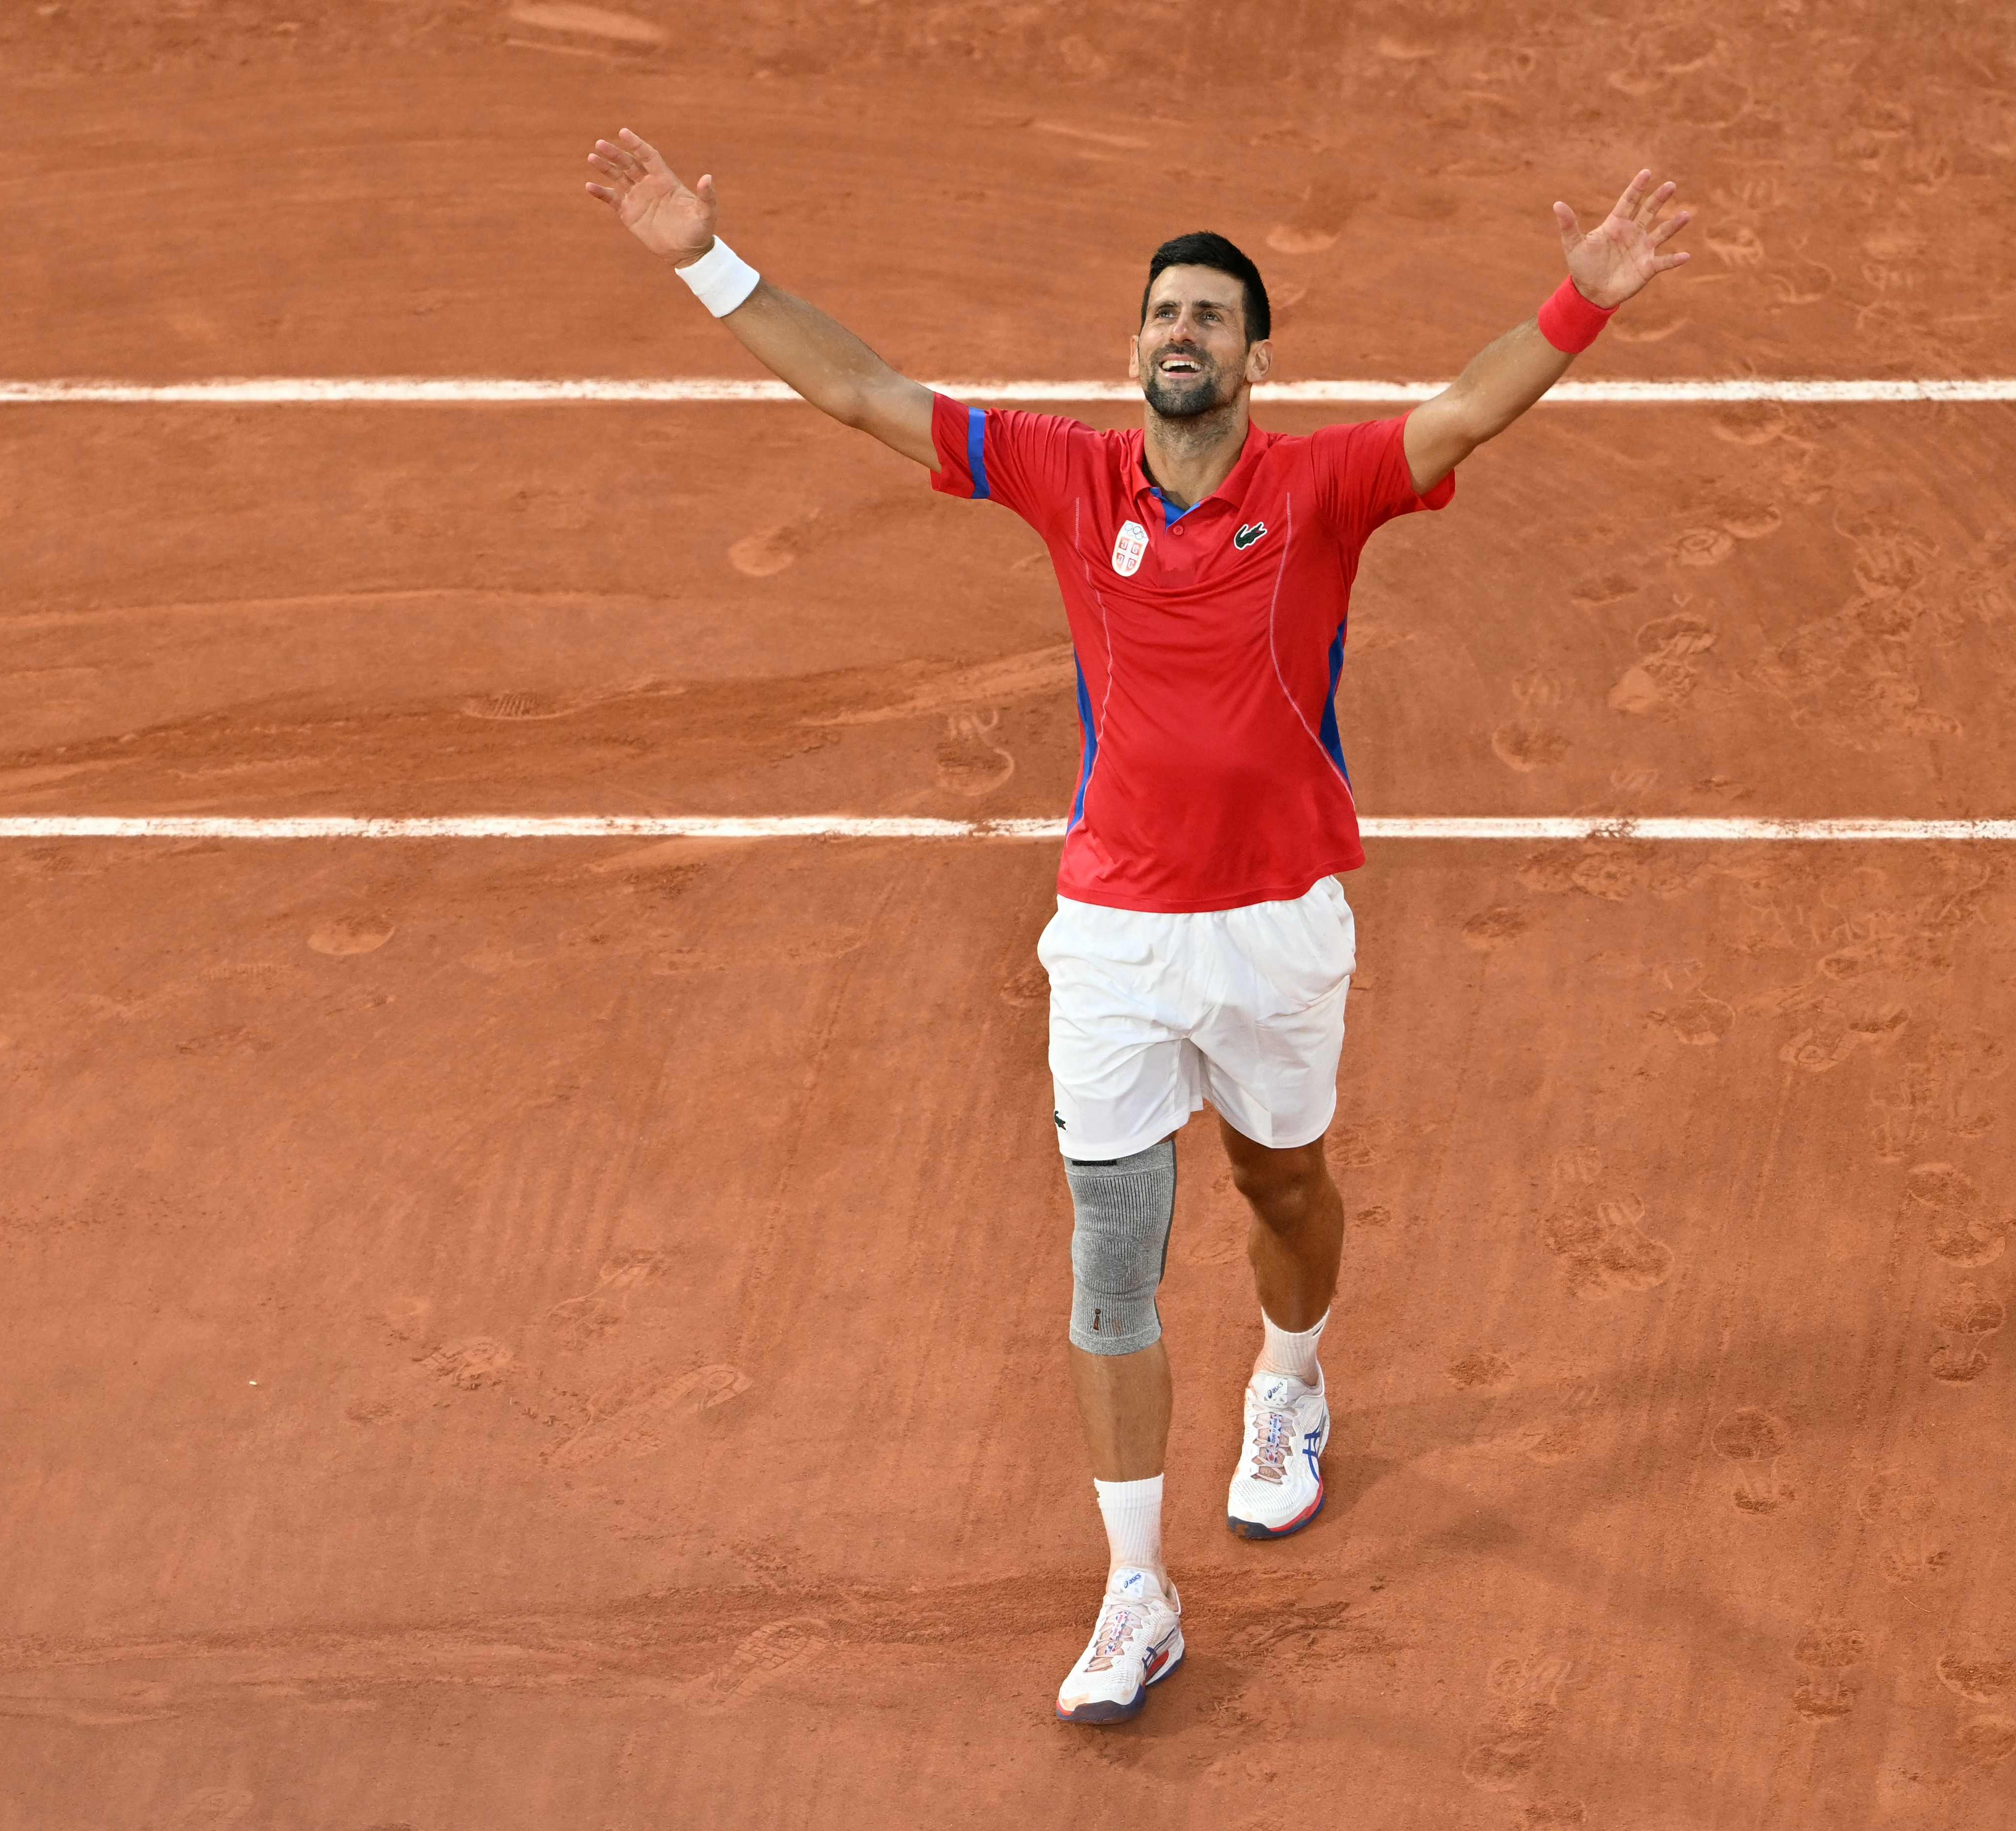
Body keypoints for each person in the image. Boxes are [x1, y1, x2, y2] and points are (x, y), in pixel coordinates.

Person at [585, 129, 1691, 1725]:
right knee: (1112, 1265)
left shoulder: (1316, 493)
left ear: (1255, 358)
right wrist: (704, 254)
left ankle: (1291, 1383)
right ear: (1140, 345)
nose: (1181, 333)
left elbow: (1462, 411)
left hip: (1277, 928)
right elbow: (866, 396)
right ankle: (1136, 1590)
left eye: (1211, 317)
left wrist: (1578, 308)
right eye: (1163, 313)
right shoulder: (1066, 474)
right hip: (1110, 930)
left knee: (1280, 1179)